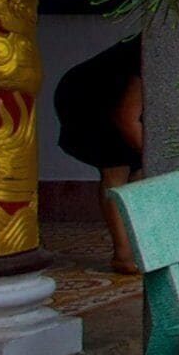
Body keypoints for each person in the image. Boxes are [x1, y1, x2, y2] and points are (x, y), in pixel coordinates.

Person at [55, 36, 146, 273]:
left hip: (119, 102)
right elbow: (126, 117)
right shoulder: (153, 49)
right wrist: (156, 157)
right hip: (87, 98)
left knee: (139, 169)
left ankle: (143, 247)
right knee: (116, 169)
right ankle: (124, 255)